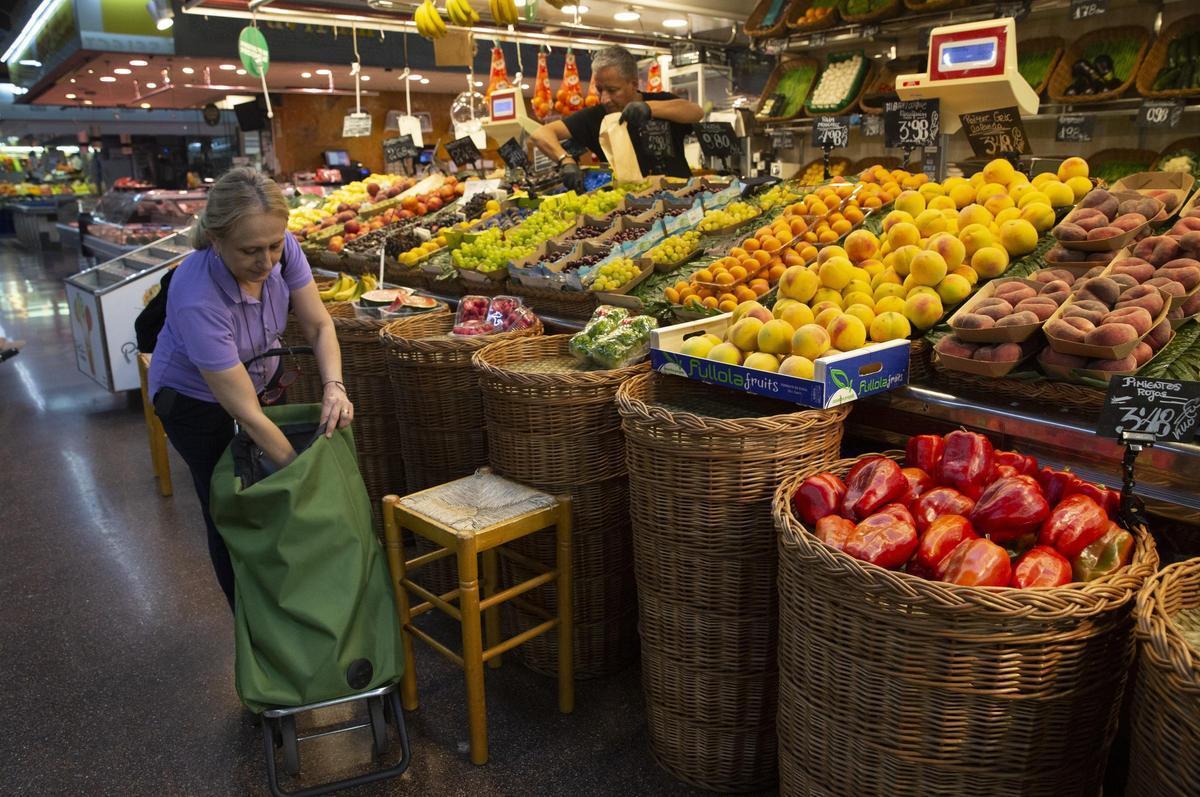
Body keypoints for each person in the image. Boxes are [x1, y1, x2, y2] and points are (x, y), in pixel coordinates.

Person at [148, 167, 352, 610]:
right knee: (229, 504)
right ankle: (251, 618)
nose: (266, 262)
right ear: (216, 241)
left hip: (256, 377)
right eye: (250, 251)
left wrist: (334, 386)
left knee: (273, 486)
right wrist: (303, 475)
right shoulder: (197, 296)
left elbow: (318, 325)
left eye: (275, 246)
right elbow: (248, 415)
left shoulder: (283, 250)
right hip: (192, 402)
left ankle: (292, 599)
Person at [531, 45, 703, 188]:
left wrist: (648, 108)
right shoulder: (594, 116)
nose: (604, 99)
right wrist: (565, 160)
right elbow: (541, 134)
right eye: (599, 90)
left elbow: (696, 112)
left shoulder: (661, 101)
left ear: (634, 84)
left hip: (682, 198)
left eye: (613, 90)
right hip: (633, 206)